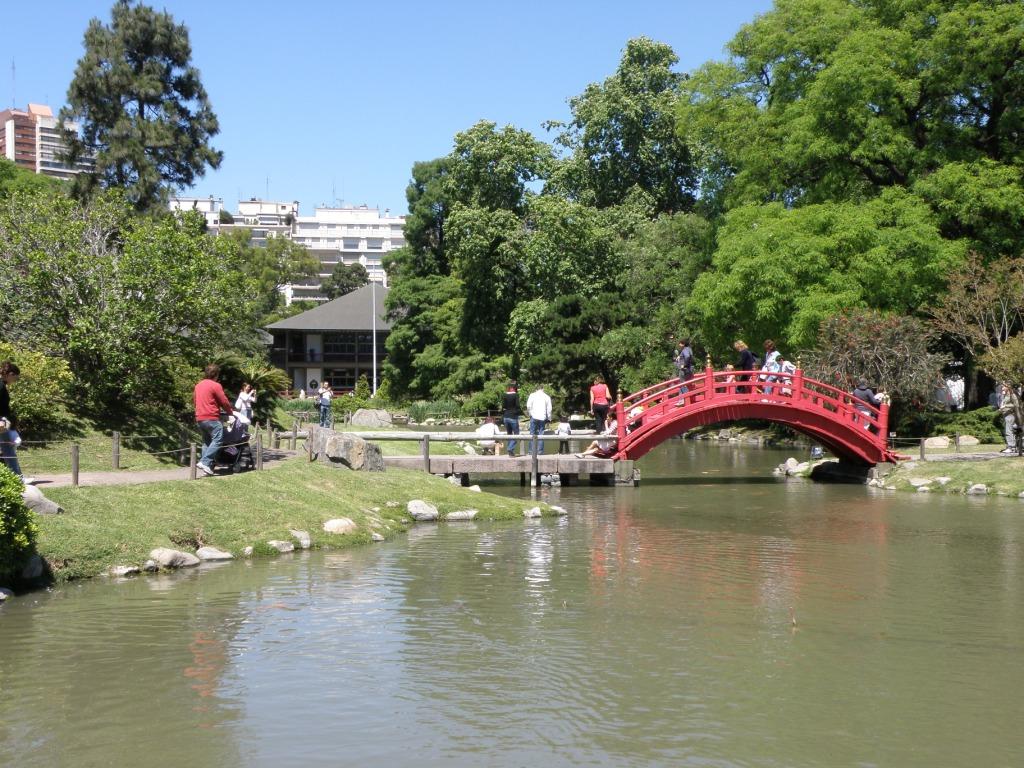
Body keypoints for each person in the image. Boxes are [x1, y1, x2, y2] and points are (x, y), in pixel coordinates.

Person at [194, 364, 232, 476]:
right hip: (211, 417)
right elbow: (224, 401)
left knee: (207, 442)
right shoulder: (216, 385)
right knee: (218, 440)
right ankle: (204, 462)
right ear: (216, 374)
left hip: (200, 418)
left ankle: (207, 468)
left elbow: (195, 400)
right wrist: (230, 412)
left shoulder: (198, 385)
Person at [0, 361, 34, 485]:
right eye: (16, 377)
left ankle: (15, 477)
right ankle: (18, 479)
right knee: (9, 449)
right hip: (2, 422)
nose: (16, 380)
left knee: (8, 448)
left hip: (4, 421)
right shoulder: (0, 385)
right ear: (10, 374)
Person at [525, 383, 552, 455]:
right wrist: (549, 418)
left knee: (532, 433)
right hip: (542, 417)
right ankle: (540, 451)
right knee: (541, 434)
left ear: (536, 389)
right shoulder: (547, 396)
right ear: (543, 389)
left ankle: (531, 451)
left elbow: (528, 406)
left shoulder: (532, 395)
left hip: (533, 416)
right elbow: (549, 409)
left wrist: (530, 414)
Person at [998, 384, 1019, 454]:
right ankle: (1011, 447)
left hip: (1010, 415)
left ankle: (1011, 447)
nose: (1002, 388)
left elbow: (1016, 405)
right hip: (1006, 415)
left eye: (1003, 387)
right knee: (1009, 431)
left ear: (1008, 387)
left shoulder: (1012, 395)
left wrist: (1005, 406)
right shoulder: (1005, 395)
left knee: (1008, 431)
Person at [502, 381, 521, 455]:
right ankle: (510, 448)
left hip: (506, 417)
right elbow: (517, 405)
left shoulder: (504, 395)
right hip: (513, 417)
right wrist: (518, 412)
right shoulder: (516, 395)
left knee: (509, 434)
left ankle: (510, 452)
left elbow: (503, 406)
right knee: (516, 434)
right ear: (514, 388)